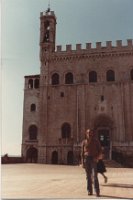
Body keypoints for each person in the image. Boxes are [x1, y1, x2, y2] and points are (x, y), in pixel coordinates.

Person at [81, 129, 102, 197]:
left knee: (95, 176)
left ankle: (97, 191)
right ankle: (89, 190)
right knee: (88, 176)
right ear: (86, 134)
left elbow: (100, 151)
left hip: (93, 159)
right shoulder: (84, 142)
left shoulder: (96, 141)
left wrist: (97, 158)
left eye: (91, 133)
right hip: (86, 159)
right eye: (88, 133)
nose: (89, 134)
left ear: (93, 134)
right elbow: (82, 153)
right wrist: (82, 162)